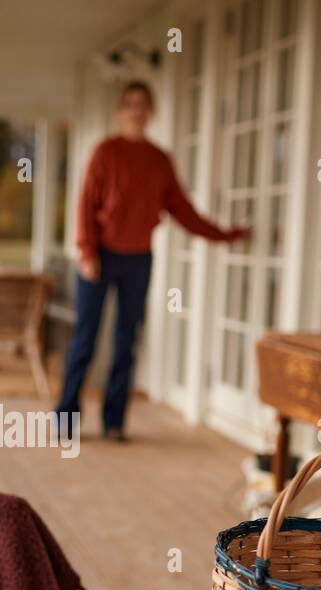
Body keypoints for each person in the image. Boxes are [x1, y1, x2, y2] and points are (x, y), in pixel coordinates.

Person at [56, 80, 250, 441]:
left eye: (143, 103)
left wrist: (227, 235)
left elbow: (183, 211)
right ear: (120, 111)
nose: (136, 110)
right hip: (98, 257)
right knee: (85, 339)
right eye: (130, 103)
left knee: (126, 342)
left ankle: (114, 423)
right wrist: (86, 251)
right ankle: (65, 421)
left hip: (138, 260)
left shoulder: (159, 160)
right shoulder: (105, 151)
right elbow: (85, 204)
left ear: (151, 111)